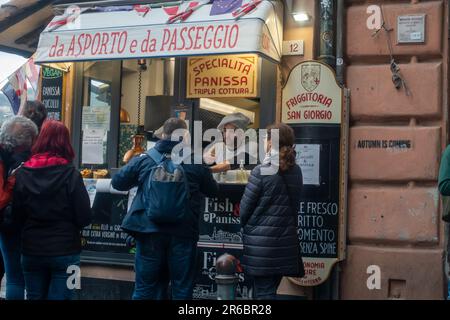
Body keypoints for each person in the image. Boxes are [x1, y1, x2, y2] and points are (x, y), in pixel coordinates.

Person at [112, 117, 219, 300]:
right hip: (183, 234)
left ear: (163, 135)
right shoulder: (195, 161)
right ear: (185, 136)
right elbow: (213, 190)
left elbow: (117, 182)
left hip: (149, 232)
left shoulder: (145, 158)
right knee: (182, 290)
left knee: (144, 289)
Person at [12, 120, 91, 300]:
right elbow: (85, 216)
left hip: (31, 250)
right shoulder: (71, 174)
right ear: (65, 142)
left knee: (33, 296)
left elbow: (17, 215)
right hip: (67, 251)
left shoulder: (23, 173)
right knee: (68, 294)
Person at [239, 123, 304, 300]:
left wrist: (248, 228)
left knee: (264, 294)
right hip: (286, 243)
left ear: (270, 143)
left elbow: (244, 211)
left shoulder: (261, 171)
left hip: (262, 247)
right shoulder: (296, 171)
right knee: (268, 291)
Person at [0, 116, 38, 300]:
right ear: (25, 141)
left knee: (14, 277)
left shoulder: (8, 156)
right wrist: (10, 184)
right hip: (13, 225)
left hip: (7, 226)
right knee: (17, 278)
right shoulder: (7, 159)